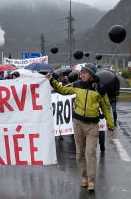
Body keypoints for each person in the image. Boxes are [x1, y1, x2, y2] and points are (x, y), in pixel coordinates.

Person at [46, 63, 114, 191]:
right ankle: (84, 178)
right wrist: (51, 80)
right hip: (77, 124)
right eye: (80, 73)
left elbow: (106, 107)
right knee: (79, 153)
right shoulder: (77, 85)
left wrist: (110, 125)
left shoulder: (100, 88)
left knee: (91, 153)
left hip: (93, 126)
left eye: (83, 73)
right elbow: (63, 90)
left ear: (91, 74)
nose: (80, 75)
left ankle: (91, 181)